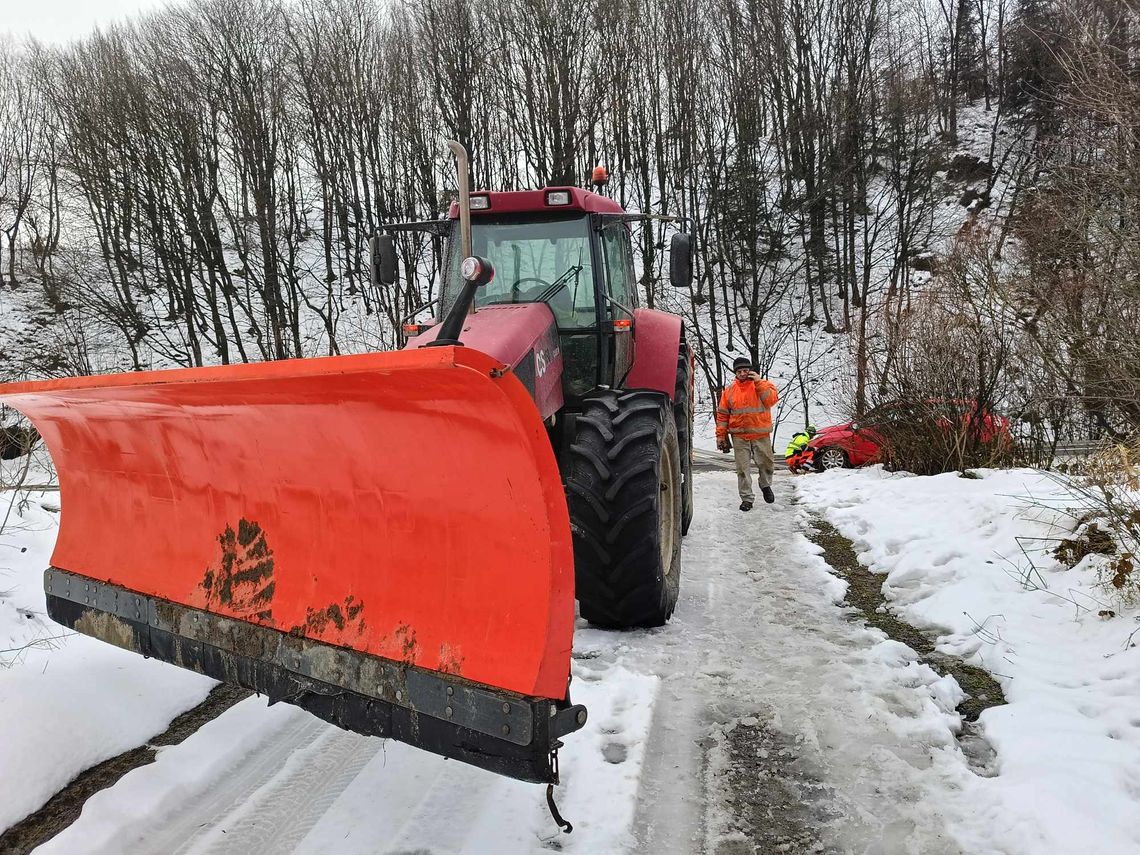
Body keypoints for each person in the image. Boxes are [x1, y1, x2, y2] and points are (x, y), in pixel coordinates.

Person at [716, 357, 779, 511]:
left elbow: (771, 400)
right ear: (735, 373)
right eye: (739, 371)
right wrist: (720, 435)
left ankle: (765, 485)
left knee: (766, 464)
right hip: (739, 436)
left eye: (745, 370)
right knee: (742, 470)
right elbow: (723, 415)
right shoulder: (729, 391)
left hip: (761, 435)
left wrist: (758, 382)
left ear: (750, 370)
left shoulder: (763, 384)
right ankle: (747, 499)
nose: (743, 373)